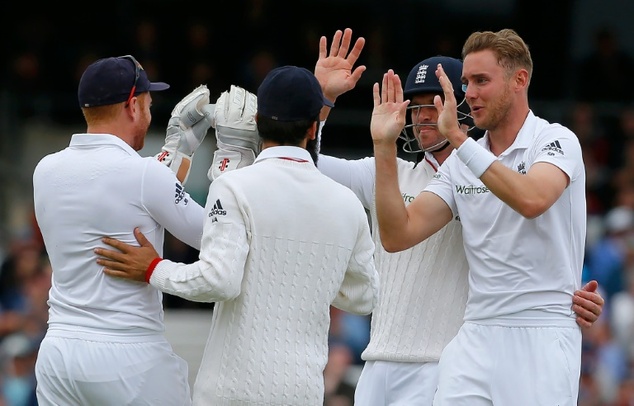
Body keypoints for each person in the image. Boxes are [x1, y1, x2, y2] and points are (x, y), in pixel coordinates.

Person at [312, 29, 604, 405]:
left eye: (481, 81)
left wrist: (462, 143)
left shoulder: (555, 139)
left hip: (541, 331)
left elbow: (533, 199)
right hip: (474, 336)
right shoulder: (460, 164)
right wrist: (383, 144)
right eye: (466, 82)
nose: (470, 92)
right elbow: (398, 234)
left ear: (520, 80)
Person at [94, 65, 380, 405]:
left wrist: (154, 268)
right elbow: (365, 296)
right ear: (314, 126)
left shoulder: (232, 186)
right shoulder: (346, 202)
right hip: (301, 391)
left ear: (257, 122)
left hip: (230, 390)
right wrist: (311, 277)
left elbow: (219, 281)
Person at [32, 54, 216, 406]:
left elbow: (120, 197)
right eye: (148, 104)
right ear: (132, 105)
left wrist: (172, 161)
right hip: (129, 356)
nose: (149, 115)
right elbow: (213, 236)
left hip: (59, 352)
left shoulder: (45, 170)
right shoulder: (146, 175)